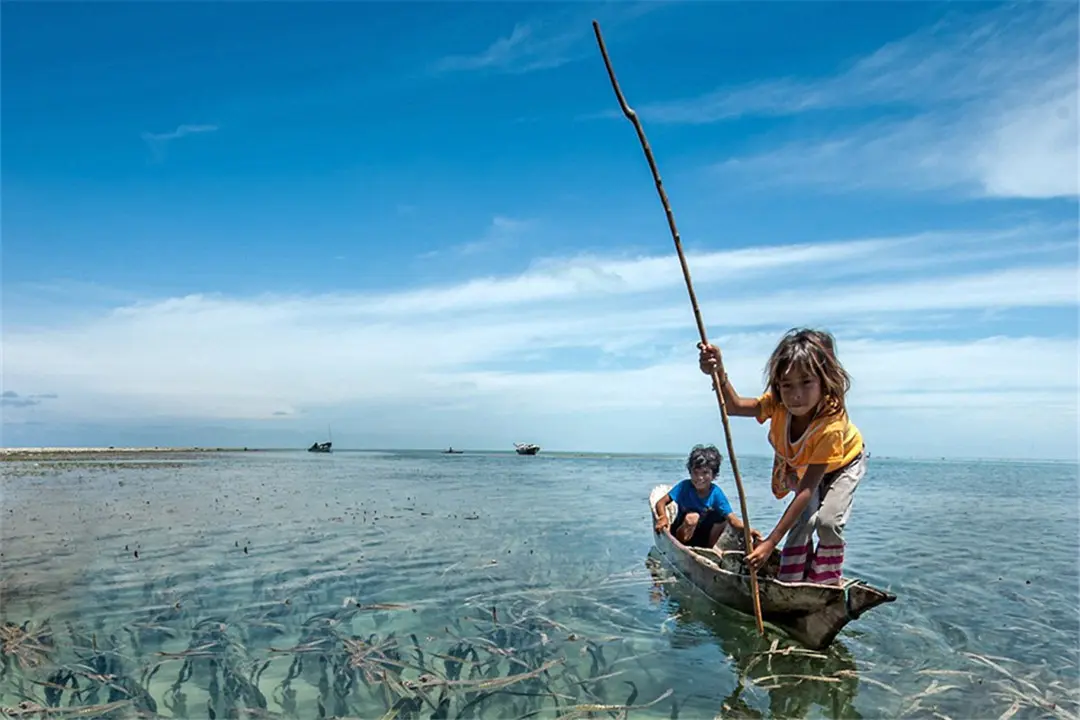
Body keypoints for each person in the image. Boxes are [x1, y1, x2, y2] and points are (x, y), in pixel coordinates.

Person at [697, 328, 865, 586]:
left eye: (807, 383)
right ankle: (790, 581)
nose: (796, 394)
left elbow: (806, 490)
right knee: (802, 522)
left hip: (843, 464)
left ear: (824, 381)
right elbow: (733, 406)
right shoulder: (778, 403)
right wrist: (718, 371)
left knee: (827, 523)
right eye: (787, 385)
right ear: (778, 386)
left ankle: (825, 583)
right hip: (807, 465)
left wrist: (771, 542)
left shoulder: (830, 425)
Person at [654, 444, 763, 549]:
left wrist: (749, 530)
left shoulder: (716, 493)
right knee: (692, 517)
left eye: (705, 473)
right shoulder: (684, 487)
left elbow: (733, 520)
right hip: (682, 534)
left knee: (722, 518)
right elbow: (661, 503)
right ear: (690, 472)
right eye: (695, 472)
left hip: (704, 537)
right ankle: (680, 546)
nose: (699, 477)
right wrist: (663, 517)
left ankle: (709, 549)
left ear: (714, 475)